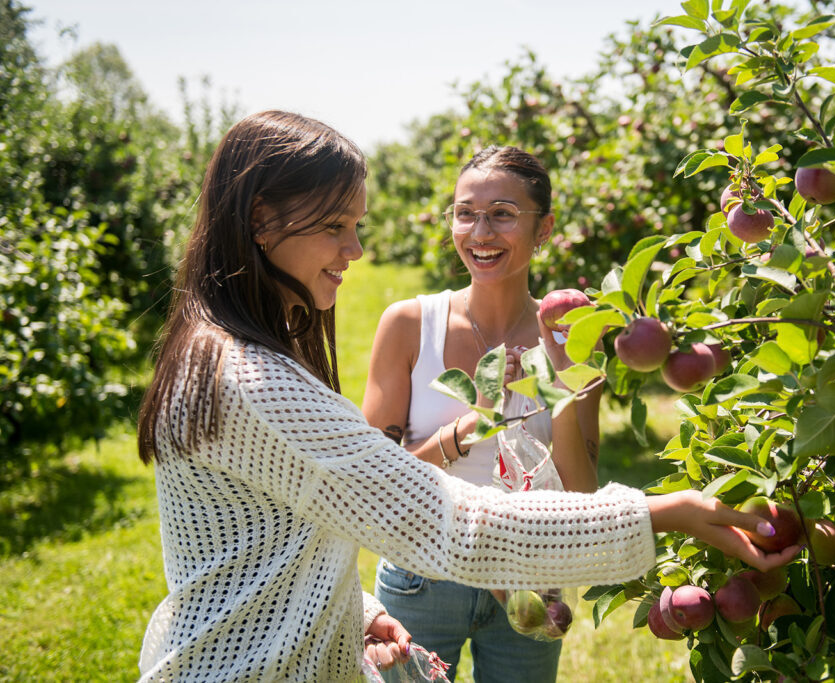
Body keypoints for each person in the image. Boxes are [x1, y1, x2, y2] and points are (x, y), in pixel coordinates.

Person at [135, 110, 800, 683]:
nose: (356, 248)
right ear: (261, 219)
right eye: (336, 225)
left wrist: (355, 613)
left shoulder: (219, 351)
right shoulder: (253, 382)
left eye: (356, 224)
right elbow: (446, 522)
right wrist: (659, 513)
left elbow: (268, 544)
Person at [361, 146, 603, 682]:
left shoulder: (573, 334)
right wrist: (467, 429)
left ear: (544, 229)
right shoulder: (408, 325)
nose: (480, 232)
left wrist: (563, 382)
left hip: (532, 576)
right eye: (465, 212)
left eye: (502, 213)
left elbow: (583, 495)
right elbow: (372, 486)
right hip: (424, 570)